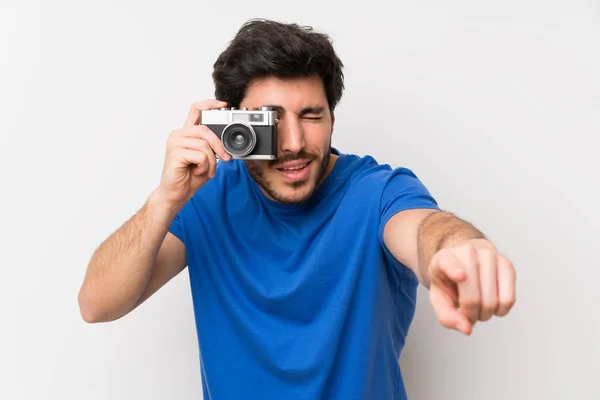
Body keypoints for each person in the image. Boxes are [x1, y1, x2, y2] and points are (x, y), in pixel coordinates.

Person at [78, 18, 516, 400]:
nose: (292, 143)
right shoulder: (208, 195)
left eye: (311, 115)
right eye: (269, 119)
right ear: (232, 123)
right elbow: (97, 305)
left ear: (332, 118)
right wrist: (165, 198)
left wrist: (455, 251)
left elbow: (424, 229)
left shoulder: (377, 191)